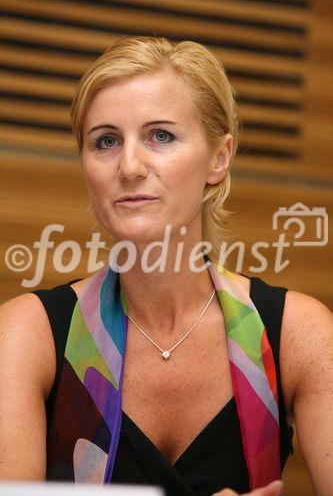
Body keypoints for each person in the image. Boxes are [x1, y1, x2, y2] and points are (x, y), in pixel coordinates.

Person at [0, 36, 332, 496]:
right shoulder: (24, 335)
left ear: (219, 158)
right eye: (106, 141)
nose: (130, 166)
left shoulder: (299, 333)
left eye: (161, 136)